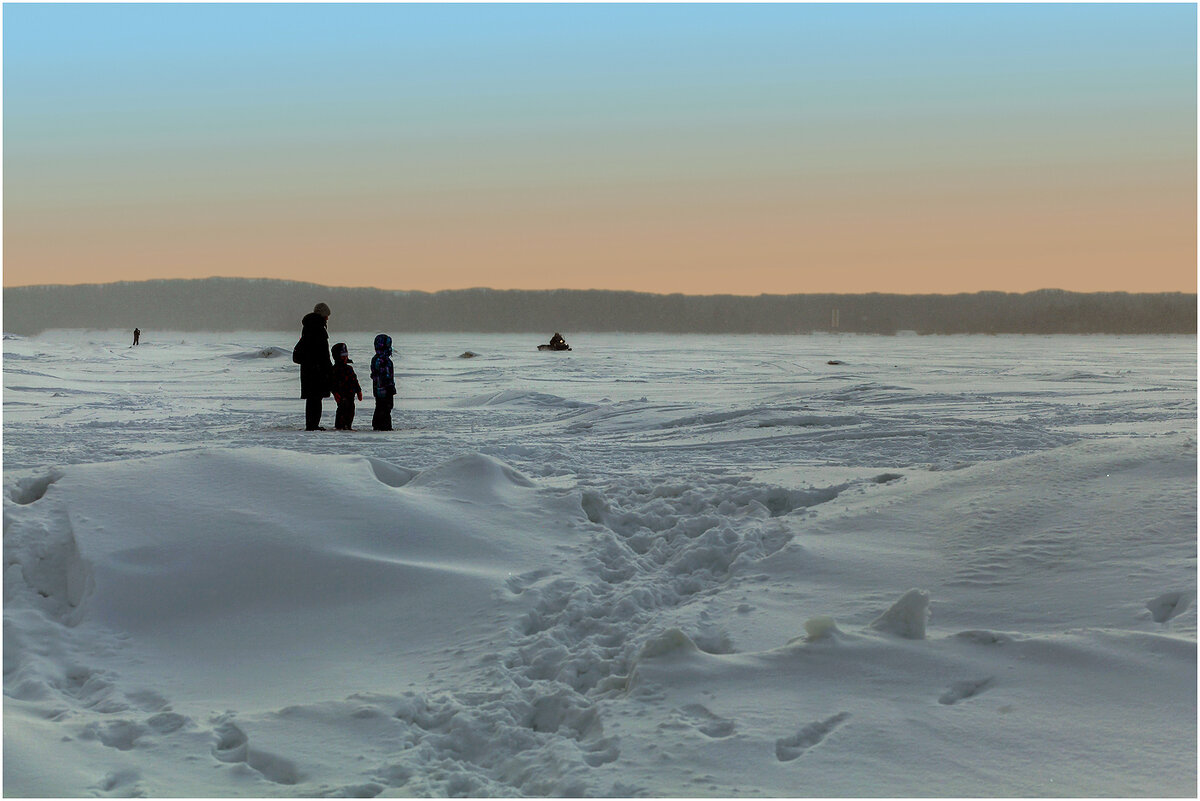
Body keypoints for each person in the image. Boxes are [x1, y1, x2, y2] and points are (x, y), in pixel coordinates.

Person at [295, 302, 333, 430]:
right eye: (326, 315)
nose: (327, 318)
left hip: (308, 368)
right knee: (316, 399)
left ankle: (311, 424)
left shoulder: (309, 327)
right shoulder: (318, 328)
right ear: (322, 315)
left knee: (312, 398)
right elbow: (322, 352)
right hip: (317, 369)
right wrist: (328, 368)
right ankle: (313, 425)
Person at [330, 342, 362, 431]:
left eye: (346, 355)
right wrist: (335, 393)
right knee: (342, 409)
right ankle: (339, 426)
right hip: (341, 394)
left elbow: (355, 380)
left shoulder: (349, 369)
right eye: (342, 356)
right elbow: (332, 383)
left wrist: (359, 391)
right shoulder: (334, 370)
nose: (345, 358)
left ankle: (348, 425)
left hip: (351, 394)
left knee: (351, 409)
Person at [370, 333, 396, 431]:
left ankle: (380, 425)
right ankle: (383, 426)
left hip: (380, 389)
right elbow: (384, 375)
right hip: (383, 389)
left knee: (382, 407)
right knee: (384, 408)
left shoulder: (380, 359)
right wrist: (389, 386)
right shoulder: (382, 360)